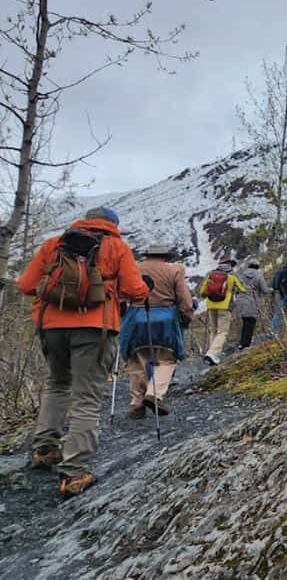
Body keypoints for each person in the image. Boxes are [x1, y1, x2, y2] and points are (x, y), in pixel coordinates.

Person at [17, 206, 149, 496]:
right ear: (113, 224)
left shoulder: (54, 244)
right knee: (87, 397)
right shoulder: (116, 246)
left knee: (56, 384)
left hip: (51, 327)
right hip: (95, 328)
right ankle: (74, 472)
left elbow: (25, 284)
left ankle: (44, 448)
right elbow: (135, 290)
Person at [119, 244, 194, 418]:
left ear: (148, 255)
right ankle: (154, 394)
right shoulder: (174, 270)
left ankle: (136, 403)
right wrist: (187, 317)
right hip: (165, 319)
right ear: (167, 256)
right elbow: (185, 301)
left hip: (136, 319)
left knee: (137, 360)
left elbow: (123, 295)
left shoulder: (135, 269)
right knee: (166, 359)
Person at [198, 256, 246, 366]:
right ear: (230, 265)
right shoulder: (232, 275)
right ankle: (212, 353)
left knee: (213, 330)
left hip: (210, 305)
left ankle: (211, 355)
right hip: (225, 306)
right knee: (222, 332)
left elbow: (202, 291)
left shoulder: (211, 274)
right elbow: (242, 288)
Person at [232, 257, 271, 349]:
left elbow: (236, 288)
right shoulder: (258, 275)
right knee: (251, 322)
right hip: (252, 300)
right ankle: (246, 344)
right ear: (257, 266)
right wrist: (271, 289)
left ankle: (242, 343)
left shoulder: (242, 274)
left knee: (245, 322)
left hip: (241, 300)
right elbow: (265, 289)